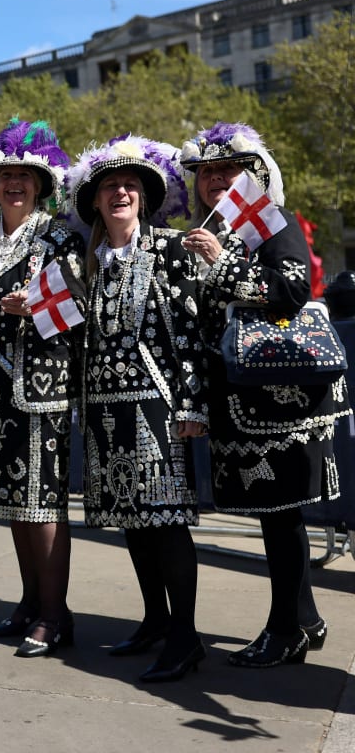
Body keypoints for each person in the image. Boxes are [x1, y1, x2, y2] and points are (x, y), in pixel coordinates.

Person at [182, 123, 351, 667]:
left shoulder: (269, 222)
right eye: (206, 172)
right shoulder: (207, 229)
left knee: (281, 515)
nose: (214, 180)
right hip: (231, 398)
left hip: (280, 401)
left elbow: (293, 290)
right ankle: (305, 619)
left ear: (251, 175)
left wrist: (222, 265)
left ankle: (286, 631)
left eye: (225, 170)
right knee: (272, 515)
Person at [67, 135, 208, 681]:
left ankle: (186, 636)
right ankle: (154, 620)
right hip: (105, 407)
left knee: (167, 522)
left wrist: (192, 404)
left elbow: (191, 335)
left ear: (144, 199)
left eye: (129, 185)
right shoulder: (89, 264)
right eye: (109, 186)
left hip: (157, 407)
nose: (120, 192)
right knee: (132, 520)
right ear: (97, 202)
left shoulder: (170, 250)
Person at [0, 118, 83, 658]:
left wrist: (36, 307)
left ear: (41, 185)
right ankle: (31, 601)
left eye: (25, 176)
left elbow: (80, 306)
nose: (14, 183)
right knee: (13, 503)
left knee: (43, 505)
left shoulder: (59, 236)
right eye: (5, 175)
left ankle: (55, 616)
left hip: (42, 387)